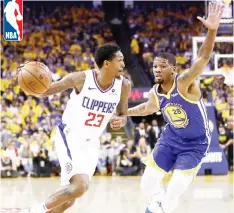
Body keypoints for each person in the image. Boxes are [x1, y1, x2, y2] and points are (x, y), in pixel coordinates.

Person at [127, 2, 224, 213]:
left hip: (195, 144)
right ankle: (158, 204)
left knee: (175, 191)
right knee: (147, 185)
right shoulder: (155, 91)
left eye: (162, 66)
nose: (157, 69)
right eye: (154, 66)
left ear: (173, 68)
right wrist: (126, 111)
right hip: (170, 139)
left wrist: (212, 30)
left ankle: (160, 208)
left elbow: (203, 58)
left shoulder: (184, 82)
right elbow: (147, 108)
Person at [22, 43, 131, 213]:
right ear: (107, 64)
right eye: (120, 60)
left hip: (92, 142)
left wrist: (121, 120)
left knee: (68, 200)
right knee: (80, 186)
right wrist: (32, 84)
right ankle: (33, 211)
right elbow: (47, 90)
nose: (124, 64)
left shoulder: (124, 85)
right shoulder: (81, 78)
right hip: (71, 136)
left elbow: (123, 113)